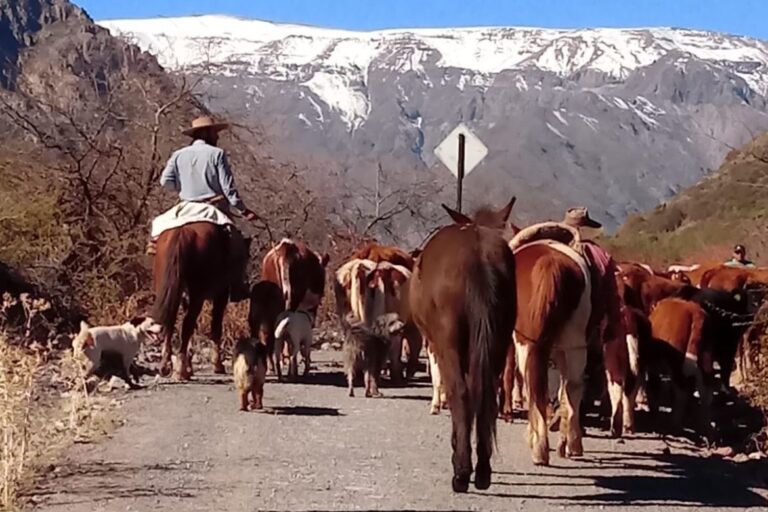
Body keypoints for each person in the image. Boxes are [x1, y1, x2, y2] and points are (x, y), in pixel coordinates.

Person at [148, 115, 259, 302]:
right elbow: (228, 188)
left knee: (158, 230)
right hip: (211, 207)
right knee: (236, 243)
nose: (217, 137)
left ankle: (158, 270)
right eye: (215, 132)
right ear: (206, 133)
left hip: (185, 206)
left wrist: (182, 187)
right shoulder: (217, 154)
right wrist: (243, 210)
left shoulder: (178, 155)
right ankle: (237, 285)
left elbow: (165, 181)